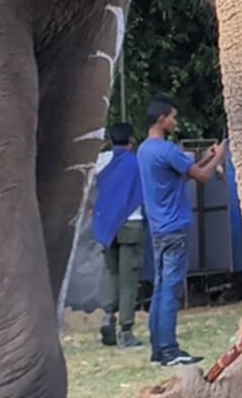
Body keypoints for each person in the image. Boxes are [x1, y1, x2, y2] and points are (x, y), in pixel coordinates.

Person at [137, 95, 228, 368]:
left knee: (160, 287)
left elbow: (186, 172)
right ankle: (169, 349)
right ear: (162, 118)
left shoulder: (144, 150)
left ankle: (158, 350)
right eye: (173, 117)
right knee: (171, 290)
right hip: (175, 228)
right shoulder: (167, 150)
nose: (176, 122)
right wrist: (220, 157)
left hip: (158, 229)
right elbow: (202, 177)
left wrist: (208, 157)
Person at [92, 122, 148, 349]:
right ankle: (126, 332)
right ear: (132, 141)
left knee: (112, 274)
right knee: (128, 282)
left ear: (110, 141)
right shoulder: (136, 163)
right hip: (131, 224)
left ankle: (108, 317)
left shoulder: (101, 161)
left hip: (106, 226)